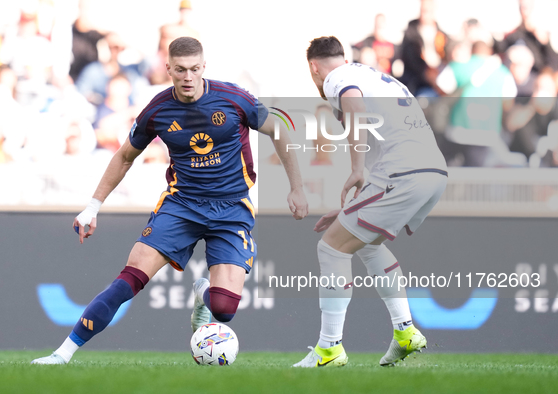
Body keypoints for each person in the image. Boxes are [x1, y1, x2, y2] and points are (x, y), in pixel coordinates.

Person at [31, 36, 308, 365]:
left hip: (231, 208)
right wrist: (92, 207)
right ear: (168, 70)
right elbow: (124, 157)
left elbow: (279, 130)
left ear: (204, 67)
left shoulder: (234, 99)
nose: (188, 77)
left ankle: (203, 297)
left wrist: (296, 187)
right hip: (182, 206)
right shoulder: (158, 109)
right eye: (180, 70)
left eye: (194, 69)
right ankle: (63, 354)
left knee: (224, 309)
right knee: (128, 279)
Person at [293, 36, 447, 368]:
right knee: (366, 244)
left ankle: (329, 348)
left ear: (314, 67)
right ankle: (405, 332)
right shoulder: (374, 75)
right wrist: (356, 205)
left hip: (402, 171)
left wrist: (356, 168)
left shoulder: (338, 77)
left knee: (331, 248)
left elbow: (354, 107)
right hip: (432, 170)